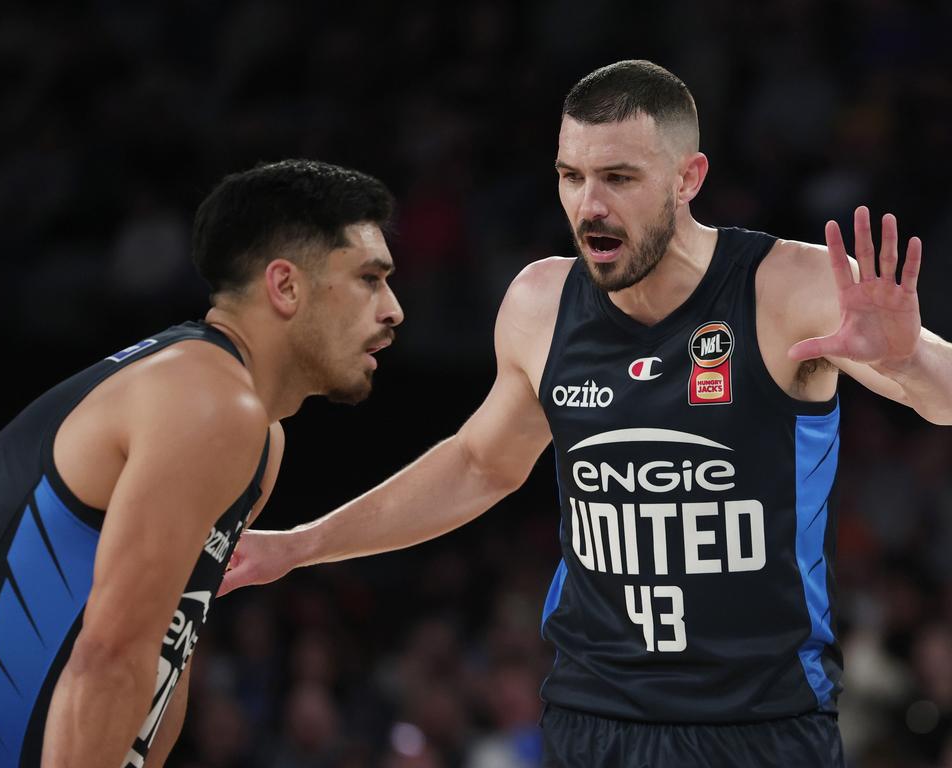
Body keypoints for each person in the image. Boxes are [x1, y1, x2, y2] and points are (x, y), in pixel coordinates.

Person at [220, 61, 952, 767]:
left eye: (619, 179)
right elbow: (479, 464)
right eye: (572, 176)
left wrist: (906, 360)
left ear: (687, 179)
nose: (588, 205)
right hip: (595, 722)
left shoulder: (787, 285)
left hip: (760, 727)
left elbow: (939, 396)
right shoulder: (542, 304)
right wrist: (299, 546)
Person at [0, 159, 404, 768]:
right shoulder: (206, 401)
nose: (393, 310)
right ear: (285, 286)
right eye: (370, 278)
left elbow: (161, 664)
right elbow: (109, 658)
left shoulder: (251, 430)